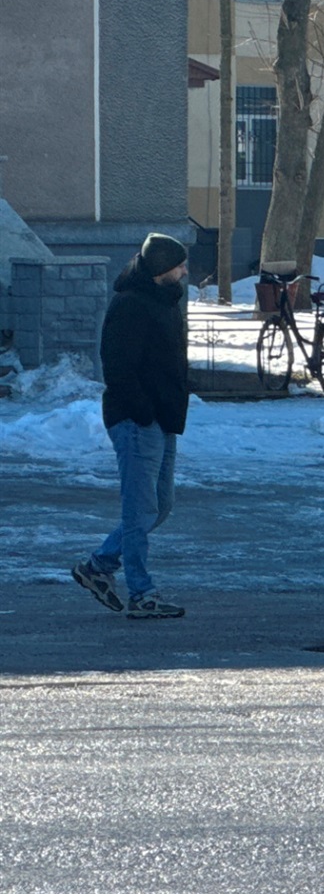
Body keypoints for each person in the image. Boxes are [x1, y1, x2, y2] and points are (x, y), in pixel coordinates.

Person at [72, 233, 192, 619]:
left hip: (162, 418)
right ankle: (142, 593)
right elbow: (118, 366)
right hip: (138, 420)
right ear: (161, 268)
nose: (184, 270)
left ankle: (98, 567)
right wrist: (142, 411)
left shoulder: (165, 301)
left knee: (160, 506)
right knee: (139, 512)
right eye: (179, 264)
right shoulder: (130, 305)